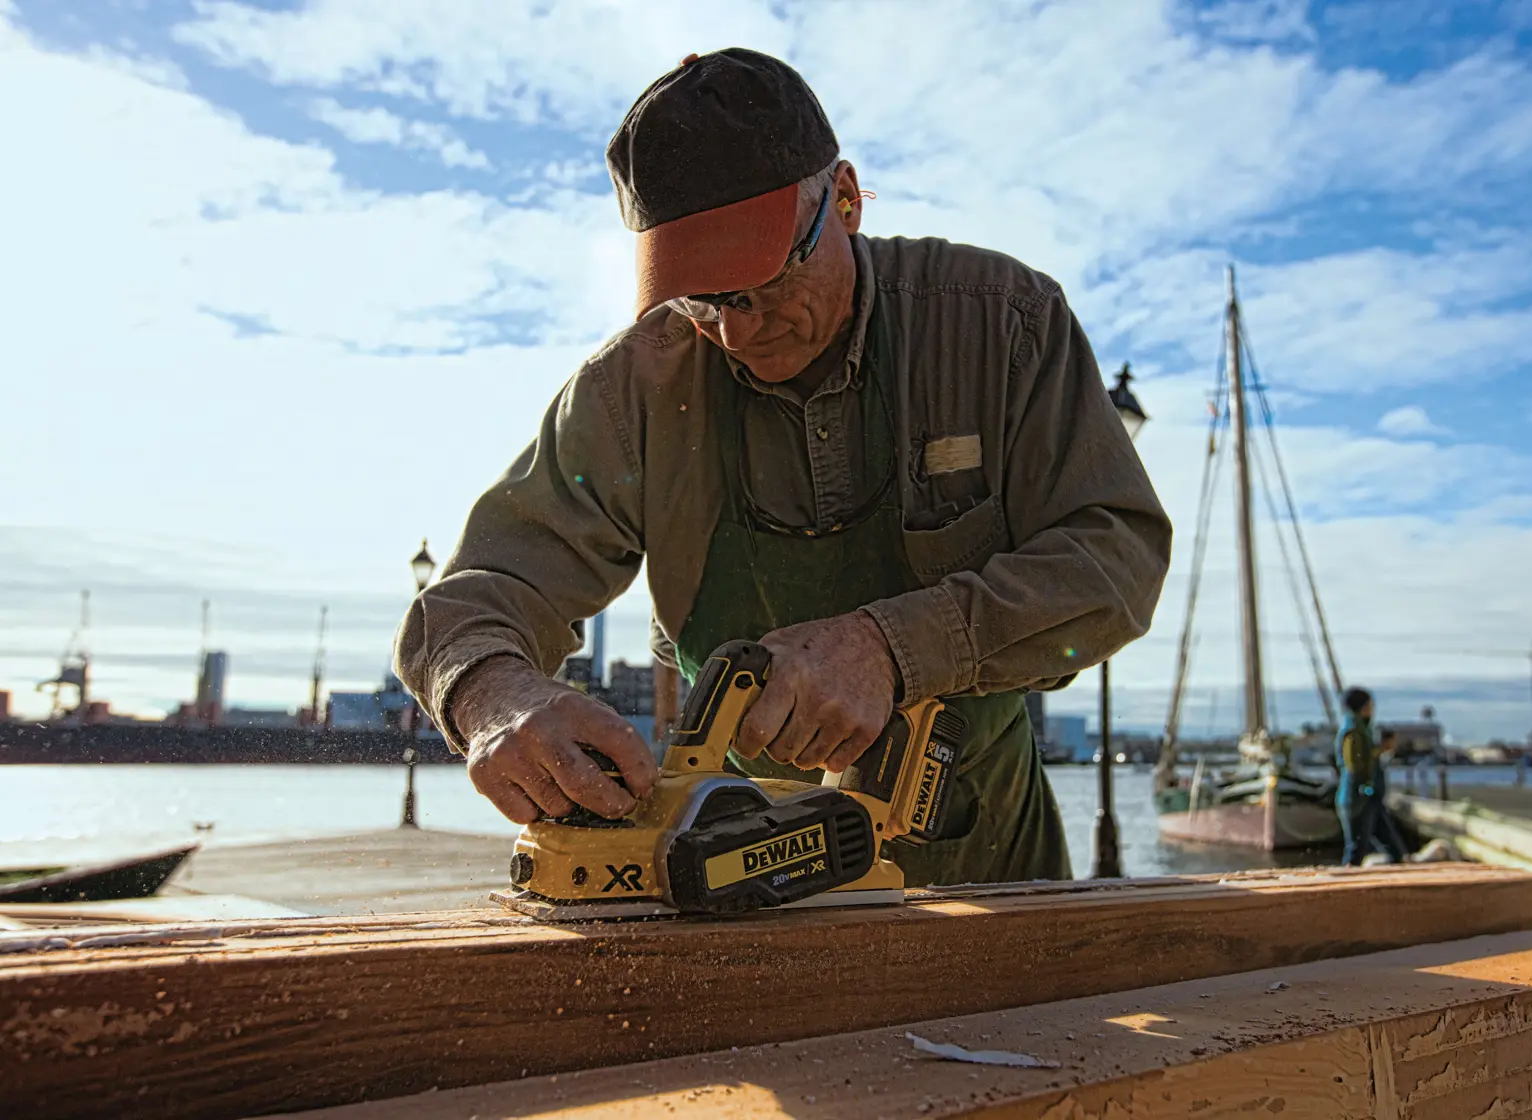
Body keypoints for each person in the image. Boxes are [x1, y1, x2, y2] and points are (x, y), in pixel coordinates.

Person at [392, 49, 1171, 887]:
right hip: (734, 866)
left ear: (846, 198)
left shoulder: (1003, 326)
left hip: (990, 861)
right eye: (702, 297)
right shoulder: (632, 393)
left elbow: (1117, 561)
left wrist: (890, 648)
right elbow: (477, 597)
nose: (735, 331)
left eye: (760, 281)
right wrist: (497, 697)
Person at [1335, 687, 1379, 866]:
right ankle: (1348, 876)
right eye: (1370, 705)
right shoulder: (1353, 731)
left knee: (1361, 845)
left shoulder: (1359, 728)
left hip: (1358, 795)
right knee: (1355, 847)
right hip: (1354, 797)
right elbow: (1354, 765)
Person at [1368, 728, 1409, 862]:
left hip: (1377, 801)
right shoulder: (1374, 758)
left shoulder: (1380, 759)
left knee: (1383, 834)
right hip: (1372, 801)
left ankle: (1398, 856)